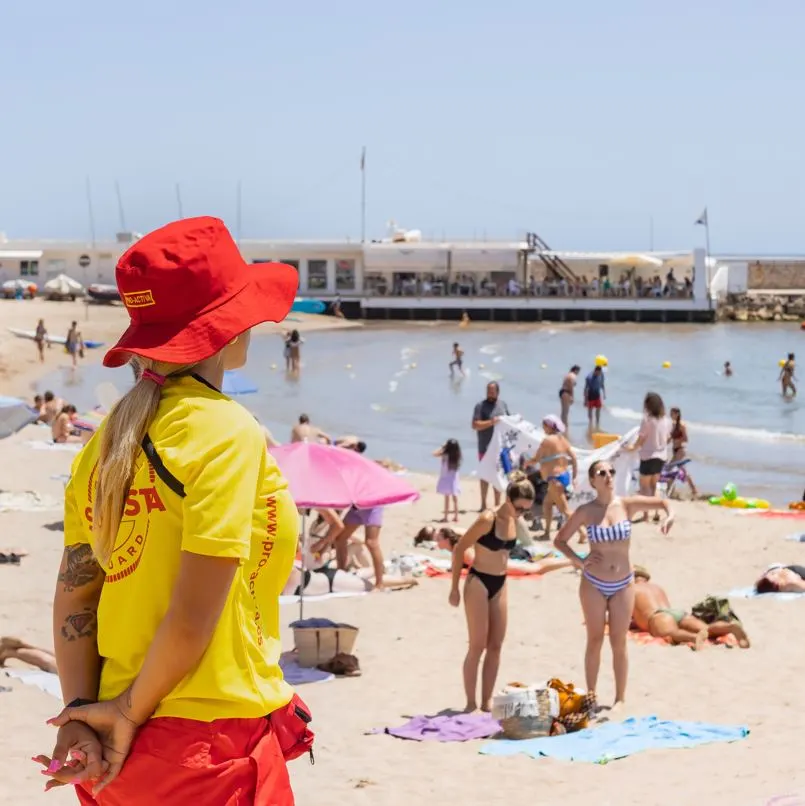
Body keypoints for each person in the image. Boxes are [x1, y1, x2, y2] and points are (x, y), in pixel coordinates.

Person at [38, 217, 300, 803]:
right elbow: (191, 616)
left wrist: (82, 715)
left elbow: (77, 596)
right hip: (204, 747)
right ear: (228, 332)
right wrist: (124, 716)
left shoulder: (106, 441)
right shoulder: (225, 431)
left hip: (115, 754)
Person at [553, 460, 673, 709]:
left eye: (611, 471)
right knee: (595, 638)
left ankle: (620, 698)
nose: (608, 475)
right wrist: (579, 561)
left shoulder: (626, 505)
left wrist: (670, 516)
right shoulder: (586, 511)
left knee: (619, 641)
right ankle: (592, 695)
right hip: (593, 582)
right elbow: (560, 540)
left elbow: (663, 502)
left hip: (623, 583)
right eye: (602, 473)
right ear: (593, 481)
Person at [449, 478, 535, 712]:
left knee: (496, 645)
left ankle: (486, 700)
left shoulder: (515, 521)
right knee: (477, 645)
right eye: (519, 507)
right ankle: (470, 703)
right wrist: (454, 588)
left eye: (527, 509)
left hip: (501, 582)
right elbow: (459, 548)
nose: (522, 513)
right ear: (507, 499)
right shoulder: (488, 519)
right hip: (478, 581)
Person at [632, 567, 749, 649]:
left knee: (672, 634)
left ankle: (693, 637)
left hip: (659, 616)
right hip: (676, 613)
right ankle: (730, 627)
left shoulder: (630, 590)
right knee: (707, 629)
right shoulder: (656, 587)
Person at [529, 415, 583, 543]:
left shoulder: (547, 441)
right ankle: (547, 533)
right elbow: (574, 458)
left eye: (544, 425)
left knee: (565, 510)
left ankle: (583, 533)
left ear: (548, 426)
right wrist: (574, 477)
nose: (543, 428)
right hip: (562, 477)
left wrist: (526, 463)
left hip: (555, 479)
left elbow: (536, 459)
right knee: (547, 504)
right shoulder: (562, 439)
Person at [627, 392, 671, 522]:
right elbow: (667, 438)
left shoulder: (647, 420)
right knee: (654, 485)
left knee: (644, 486)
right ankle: (656, 511)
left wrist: (631, 448)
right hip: (661, 456)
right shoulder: (667, 421)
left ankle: (646, 515)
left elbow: (641, 439)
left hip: (648, 456)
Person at [472, 382, 510, 511]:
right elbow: (475, 425)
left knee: (497, 476)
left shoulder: (503, 405)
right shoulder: (480, 406)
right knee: (484, 476)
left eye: (492, 391)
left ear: (498, 392)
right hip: (484, 446)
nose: (490, 393)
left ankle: (497, 504)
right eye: (488, 391)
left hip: (499, 448)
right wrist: (491, 422)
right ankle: (483, 504)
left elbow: (509, 422)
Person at [332, 507, 387, 589]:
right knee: (340, 538)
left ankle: (379, 584)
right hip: (356, 506)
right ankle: (341, 574)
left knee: (371, 542)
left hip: (372, 506)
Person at [668, 407, 699, 497]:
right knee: (680, 470)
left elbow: (686, 439)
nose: (670, 415)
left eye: (672, 413)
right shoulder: (673, 425)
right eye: (670, 413)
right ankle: (692, 490)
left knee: (672, 469)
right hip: (674, 450)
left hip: (680, 450)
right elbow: (670, 438)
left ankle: (670, 491)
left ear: (677, 414)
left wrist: (677, 440)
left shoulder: (682, 425)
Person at [434, 439, 462, 522]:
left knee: (447, 498)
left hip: (446, 478)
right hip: (454, 479)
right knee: (455, 498)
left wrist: (442, 447)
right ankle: (456, 516)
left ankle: (446, 517)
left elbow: (434, 453)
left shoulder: (445, 455)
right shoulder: (457, 456)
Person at [584, 366, 606, 430]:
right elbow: (586, 389)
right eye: (598, 373)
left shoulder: (601, 375)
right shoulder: (589, 377)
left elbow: (602, 384)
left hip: (597, 394)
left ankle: (597, 422)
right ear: (595, 371)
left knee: (598, 408)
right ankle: (590, 422)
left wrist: (604, 393)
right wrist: (585, 399)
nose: (599, 374)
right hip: (590, 395)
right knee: (590, 410)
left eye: (600, 373)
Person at [559, 365, 580, 430]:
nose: (578, 373)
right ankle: (565, 427)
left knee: (563, 411)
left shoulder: (568, 375)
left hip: (562, 392)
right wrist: (572, 396)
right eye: (578, 371)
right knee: (566, 411)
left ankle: (562, 425)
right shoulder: (573, 376)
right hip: (566, 392)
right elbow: (571, 386)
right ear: (576, 370)